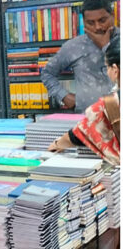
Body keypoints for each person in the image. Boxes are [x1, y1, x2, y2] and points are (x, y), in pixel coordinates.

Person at [49, 35, 119, 165]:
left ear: (115, 69)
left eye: (107, 67)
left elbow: (80, 133)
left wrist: (57, 144)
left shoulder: (110, 105)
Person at [41, 0, 119, 112]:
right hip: (87, 118)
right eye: (90, 23)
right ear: (84, 22)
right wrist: (63, 95)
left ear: (112, 16)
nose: (97, 27)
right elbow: (47, 73)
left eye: (102, 20)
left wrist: (105, 46)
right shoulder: (74, 46)